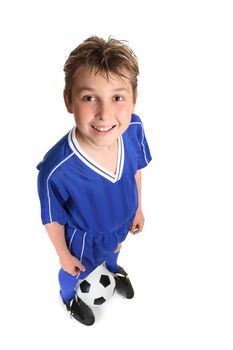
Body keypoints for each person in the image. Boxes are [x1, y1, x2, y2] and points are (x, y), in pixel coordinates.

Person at [37, 36, 152, 326]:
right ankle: (69, 297)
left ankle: (114, 269)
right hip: (84, 237)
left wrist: (137, 208)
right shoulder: (56, 169)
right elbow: (52, 217)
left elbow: (136, 168)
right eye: (89, 98)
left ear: (133, 100)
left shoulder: (133, 129)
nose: (104, 114)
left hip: (120, 223)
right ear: (68, 100)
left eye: (117, 97)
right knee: (75, 269)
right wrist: (64, 255)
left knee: (115, 249)